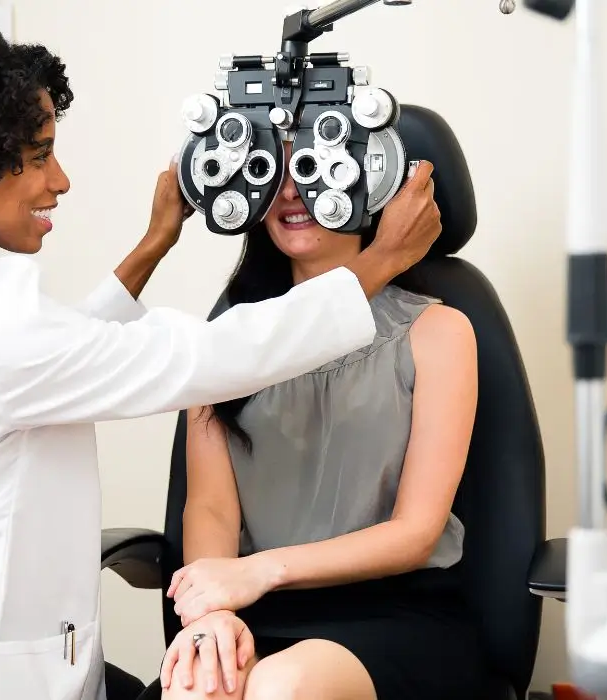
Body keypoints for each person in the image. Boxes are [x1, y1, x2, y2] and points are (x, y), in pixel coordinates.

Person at [0, 8, 443, 700]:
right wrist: (376, 264)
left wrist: (154, 244)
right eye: (37, 158)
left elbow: (57, 358)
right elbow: (194, 358)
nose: (59, 181)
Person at [151, 145, 486, 700]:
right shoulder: (228, 342)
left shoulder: (439, 332)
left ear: (369, 181)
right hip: (254, 608)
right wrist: (210, 612)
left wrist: (258, 571)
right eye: (271, 172)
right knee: (196, 687)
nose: (289, 190)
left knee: (282, 687)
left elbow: (415, 533)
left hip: (394, 615)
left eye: (310, 167)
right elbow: (209, 506)